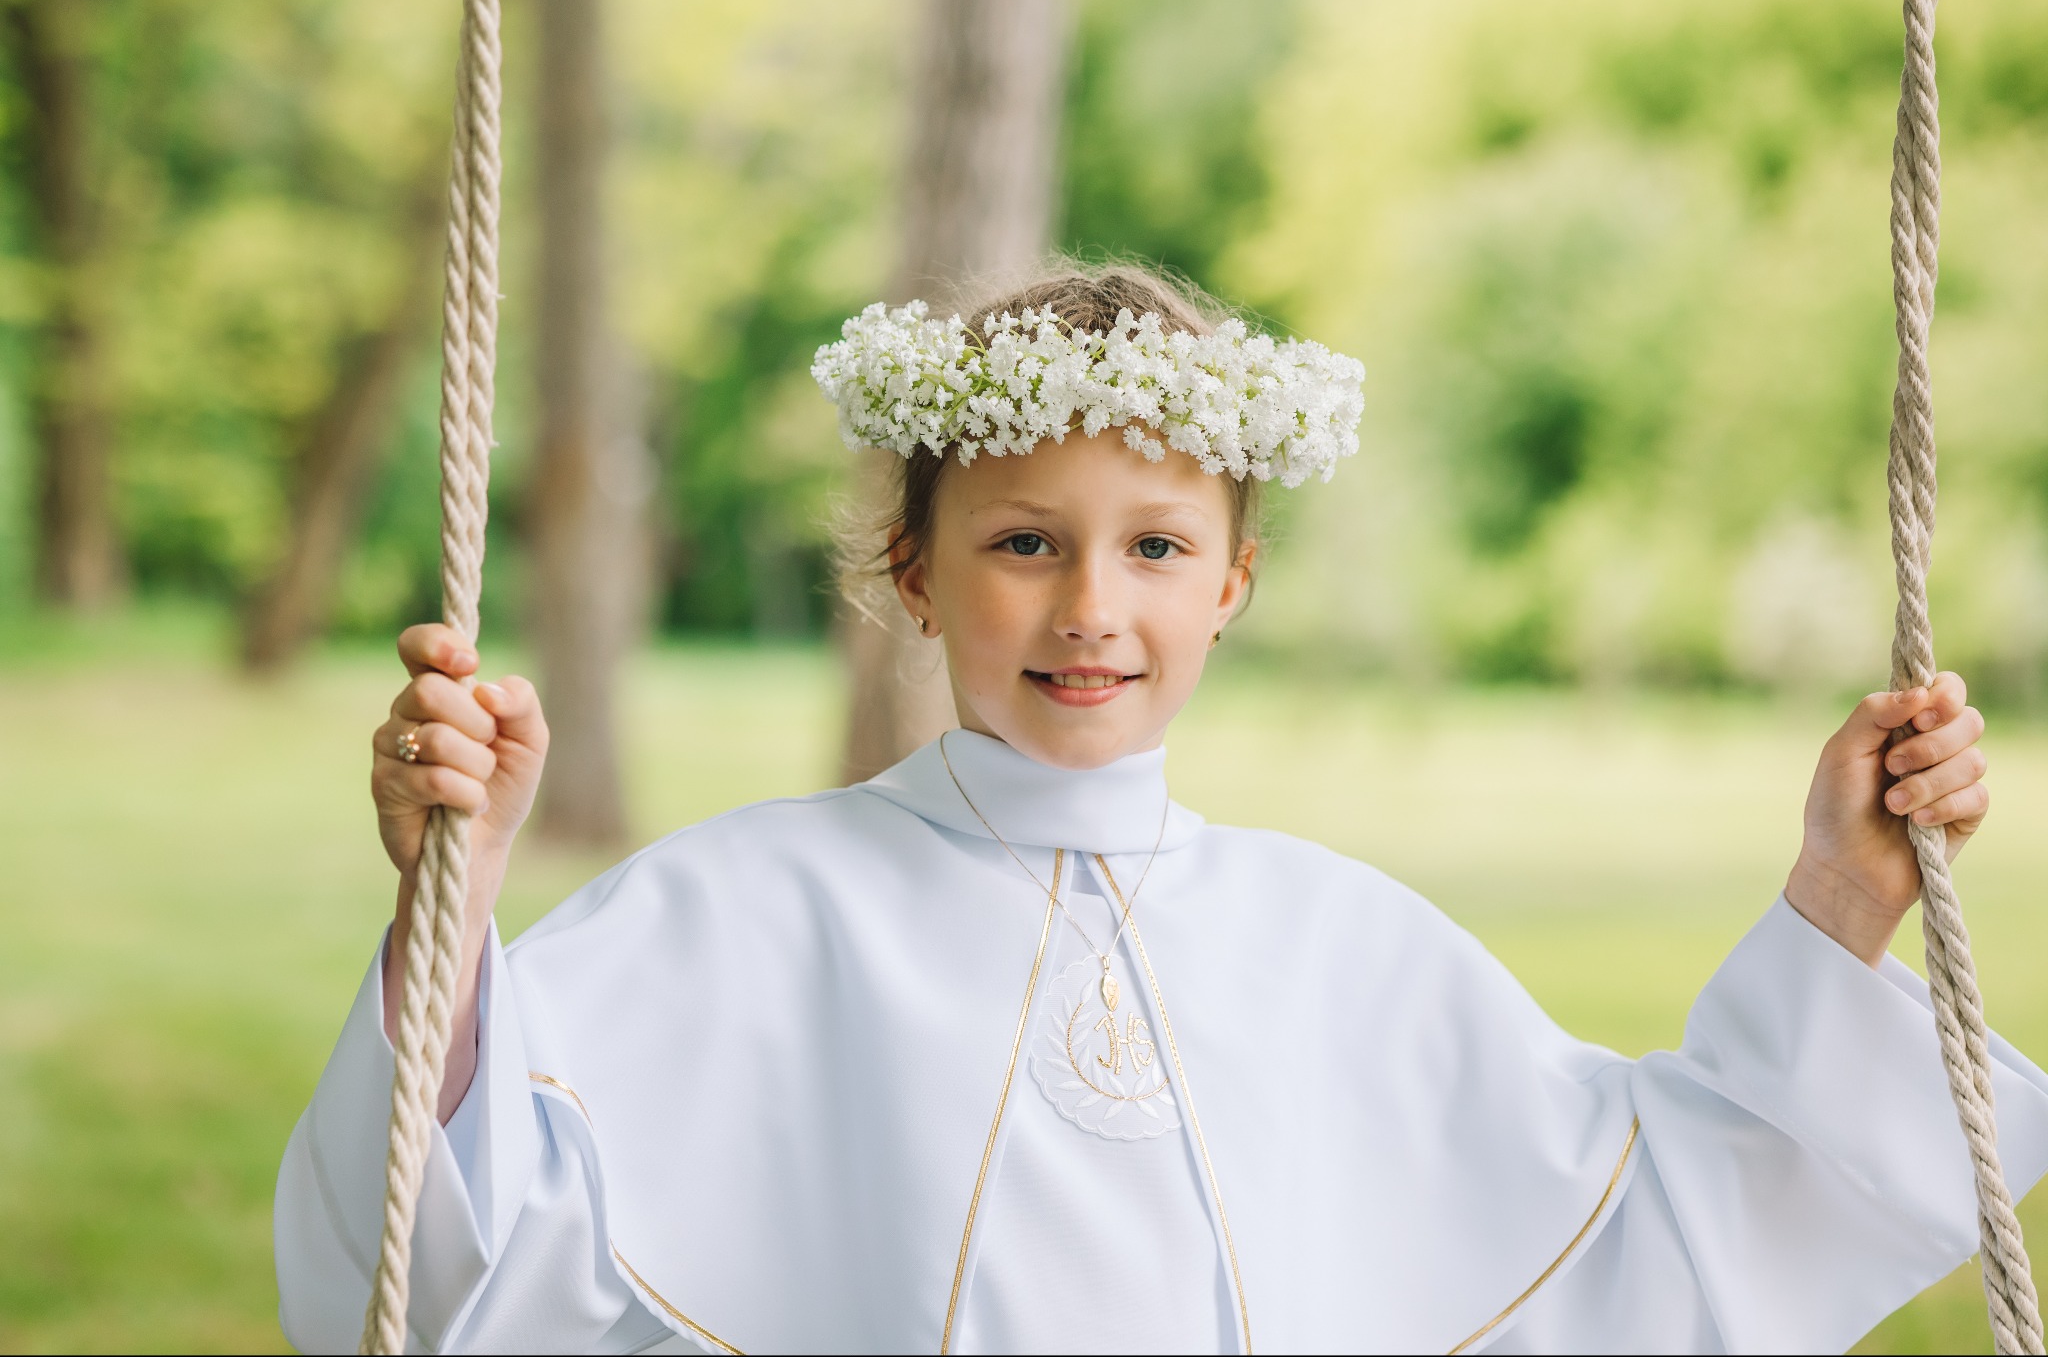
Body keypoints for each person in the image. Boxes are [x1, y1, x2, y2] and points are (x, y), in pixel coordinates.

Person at [274, 268, 2046, 1355]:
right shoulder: (742, 910)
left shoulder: (1342, 948)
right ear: (912, 567)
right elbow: (451, 1265)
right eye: (1022, 542)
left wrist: (1839, 897)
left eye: (1154, 551)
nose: (1087, 613)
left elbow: (1647, 1245)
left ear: (1234, 584)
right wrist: (462, 892)